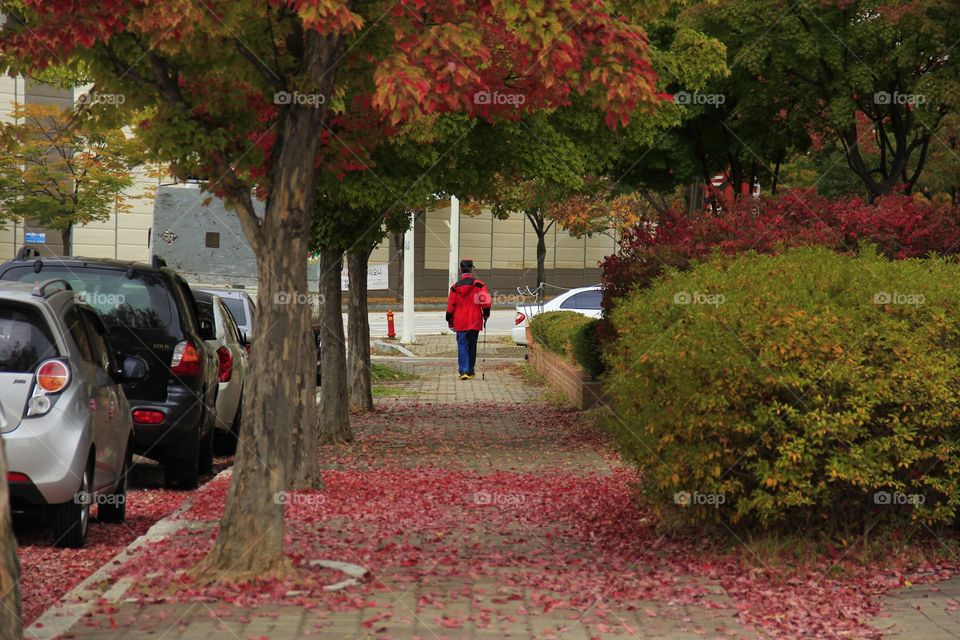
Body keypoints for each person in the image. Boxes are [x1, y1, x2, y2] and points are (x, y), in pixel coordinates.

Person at [446, 259, 492, 380]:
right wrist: (486, 314)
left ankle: (463, 371)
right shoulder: (479, 285)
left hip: (460, 320)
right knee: (472, 345)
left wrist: (449, 319)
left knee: (462, 344)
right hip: (475, 320)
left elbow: (451, 306)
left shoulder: (455, 287)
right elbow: (485, 302)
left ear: (461, 270)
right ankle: (470, 371)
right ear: (471, 269)